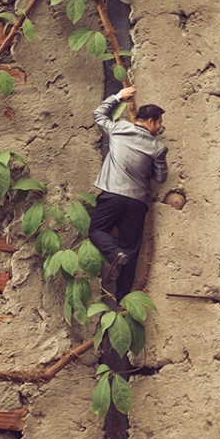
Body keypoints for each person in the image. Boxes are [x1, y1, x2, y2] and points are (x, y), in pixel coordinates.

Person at [88, 86, 168, 301]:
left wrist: (118, 97)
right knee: (131, 248)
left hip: (113, 194)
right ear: (150, 121)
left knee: (97, 231)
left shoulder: (119, 128)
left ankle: (115, 254)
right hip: (137, 203)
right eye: (159, 122)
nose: (160, 127)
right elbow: (161, 177)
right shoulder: (158, 147)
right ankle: (123, 297)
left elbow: (99, 114)